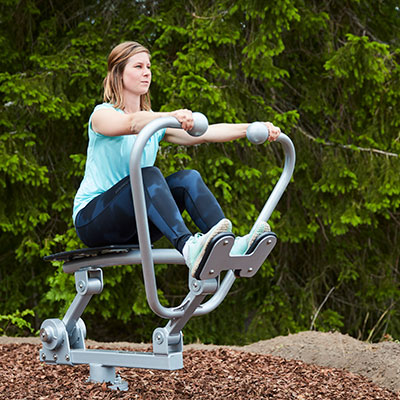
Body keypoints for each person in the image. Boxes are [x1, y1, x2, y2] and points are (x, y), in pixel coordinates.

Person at [73, 41, 281, 278]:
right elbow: (130, 124)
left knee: (187, 179)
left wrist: (253, 128)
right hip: (93, 221)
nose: (147, 72)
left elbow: (206, 133)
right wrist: (169, 116)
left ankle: (228, 246)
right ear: (119, 73)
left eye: (149, 67)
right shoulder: (102, 115)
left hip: (135, 225)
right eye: (138, 66)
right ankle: (188, 247)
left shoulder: (155, 124)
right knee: (148, 174)